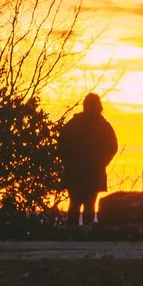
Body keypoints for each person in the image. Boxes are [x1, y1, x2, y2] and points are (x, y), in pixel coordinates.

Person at [56, 93, 120, 225]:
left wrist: (101, 162)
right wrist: (101, 162)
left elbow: (112, 147)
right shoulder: (100, 126)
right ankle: (82, 232)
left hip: (83, 171)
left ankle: (75, 232)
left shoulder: (75, 124)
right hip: (84, 171)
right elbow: (62, 146)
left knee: (81, 203)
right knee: (83, 203)